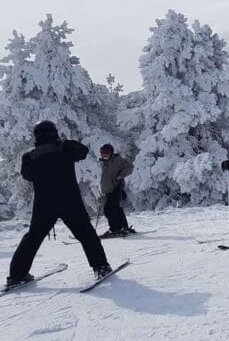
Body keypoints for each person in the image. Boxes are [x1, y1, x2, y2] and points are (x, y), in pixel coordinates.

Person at [5, 121, 112, 289]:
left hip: (44, 203)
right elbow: (83, 151)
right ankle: (101, 267)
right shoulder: (65, 148)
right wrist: (64, 142)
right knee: (86, 233)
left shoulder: (30, 156)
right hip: (69, 200)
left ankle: (16, 276)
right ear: (54, 133)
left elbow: (27, 175)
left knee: (33, 237)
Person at [99, 144, 135, 237]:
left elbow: (130, 167)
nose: (104, 155)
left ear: (111, 152)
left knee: (108, 209)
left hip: (116, 189)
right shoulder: (104, 162)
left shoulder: (117, 160)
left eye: (106, 153)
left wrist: (121, 175)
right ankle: (123, 226)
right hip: (108, 190)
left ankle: (114, 229)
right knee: (117, 209)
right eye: (102, 153)